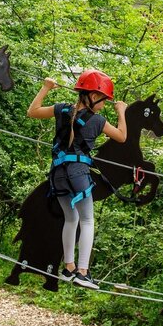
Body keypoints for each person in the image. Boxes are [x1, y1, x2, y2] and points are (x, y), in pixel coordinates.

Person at [27, 70, 127, 289]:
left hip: (58, 173)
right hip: (78, 173)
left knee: (71, 219)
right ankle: (83, 272)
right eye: (104, 100)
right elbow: (122, 136)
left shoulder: (62, 109)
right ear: (92, 96)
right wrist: (121, 112)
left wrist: (45, 88)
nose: (105, 104)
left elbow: (32, 111)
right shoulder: (98, 120)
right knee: (87, 220)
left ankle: (69, 268)